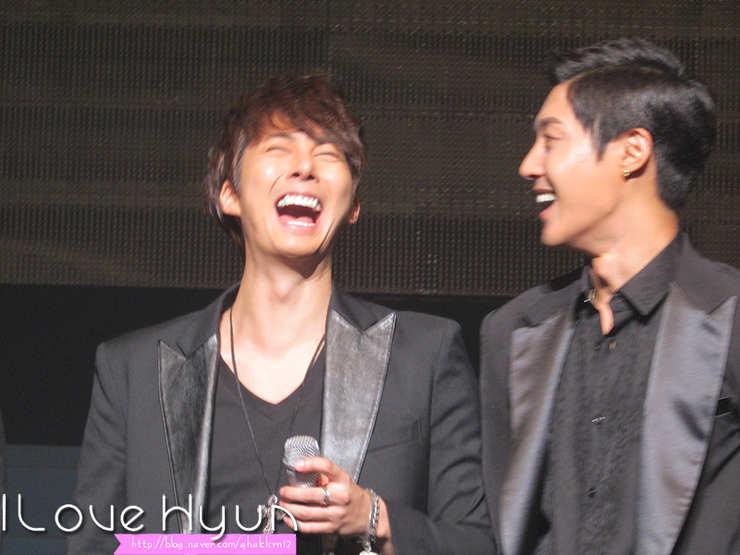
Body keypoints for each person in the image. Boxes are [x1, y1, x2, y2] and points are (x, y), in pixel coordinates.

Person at [68, 72, 494, 555]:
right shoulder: (134, 369)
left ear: (353, 205)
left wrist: (374, 518)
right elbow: (93, 544)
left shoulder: (423, 355)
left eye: (328, 154)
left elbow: (475, 542)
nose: (305, 167)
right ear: (229, 194)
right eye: (278, 149)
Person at [479, 38, 740, 555]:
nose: (528, 165)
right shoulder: (513, 331)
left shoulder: (729, 312)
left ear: (631, 152)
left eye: (550, 140)